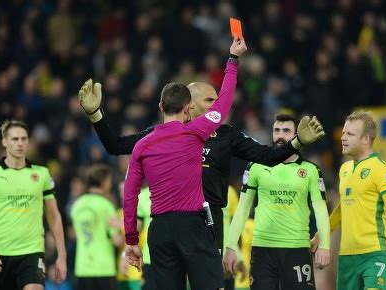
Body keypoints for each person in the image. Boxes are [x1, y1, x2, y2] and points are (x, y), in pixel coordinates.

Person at [78, 51, 325, 265]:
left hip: (210, 221)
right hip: (174, 219)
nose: (216, 104)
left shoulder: (228, 136)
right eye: (209, 100)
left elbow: (268, 157)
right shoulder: (163, 135)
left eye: (217, 99)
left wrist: (296, 143)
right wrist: (95, 114)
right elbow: (116, 145)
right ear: (190, 105)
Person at [119, 36, 247, 290]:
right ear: (188, 108)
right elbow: (223, 104)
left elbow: (130, 194)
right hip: (193, 226)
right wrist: (233, 59)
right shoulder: (195, 132)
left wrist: (131, 239)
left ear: (160, 106)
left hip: (160, 231)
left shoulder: (142, 146)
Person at [223, 114, 331, 290]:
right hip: (262, 249)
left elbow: (320, 210)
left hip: (297, 249)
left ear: (299, 135)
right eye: (277, 130)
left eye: (286, 131)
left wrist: (325, 245)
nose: (280, 135)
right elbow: (242, 209)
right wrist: (230, 247)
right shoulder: (256, 166)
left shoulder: (311, 170)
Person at [322, 110, 386, 290]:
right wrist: (322, 234)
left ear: (365, 139)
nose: (343, 137)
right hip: (347, 255)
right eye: (344, 132)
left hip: (374, 253)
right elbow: (343, 207)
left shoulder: (382, 170)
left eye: (350, 134)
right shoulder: (345, 169)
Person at [0, 120, 67, 290]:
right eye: (15, 139)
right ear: (5, 142)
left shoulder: (42, 174)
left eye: (24, 139)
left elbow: (54, 215)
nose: (20, 143)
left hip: (32, 252)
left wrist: (62, 255)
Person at [70, 163, 121, 290]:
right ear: (103, 182)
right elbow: (117, 241)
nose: (110, 184)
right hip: (103, 268)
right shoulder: (106, 205)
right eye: (109, 181)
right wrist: (123, 228)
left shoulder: (77, 205)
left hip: (82, 268)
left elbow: (75, 234)